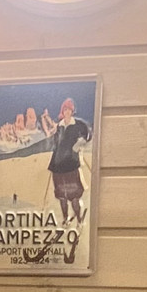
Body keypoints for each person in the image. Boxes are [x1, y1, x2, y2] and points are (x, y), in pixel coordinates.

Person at [46, 97, 92, 227]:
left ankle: (79, 220)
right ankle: (65, 219)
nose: (67, 112)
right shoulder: (59, 126)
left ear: (72, 111)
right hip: (58, 166)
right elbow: (55, 143)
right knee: (62, 196)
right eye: (65, 109)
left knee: (74, 195)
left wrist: (79, 144)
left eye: (69, 109)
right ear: (62, 111)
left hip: (71, 165)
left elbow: (88, 135)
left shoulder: (78, 124)